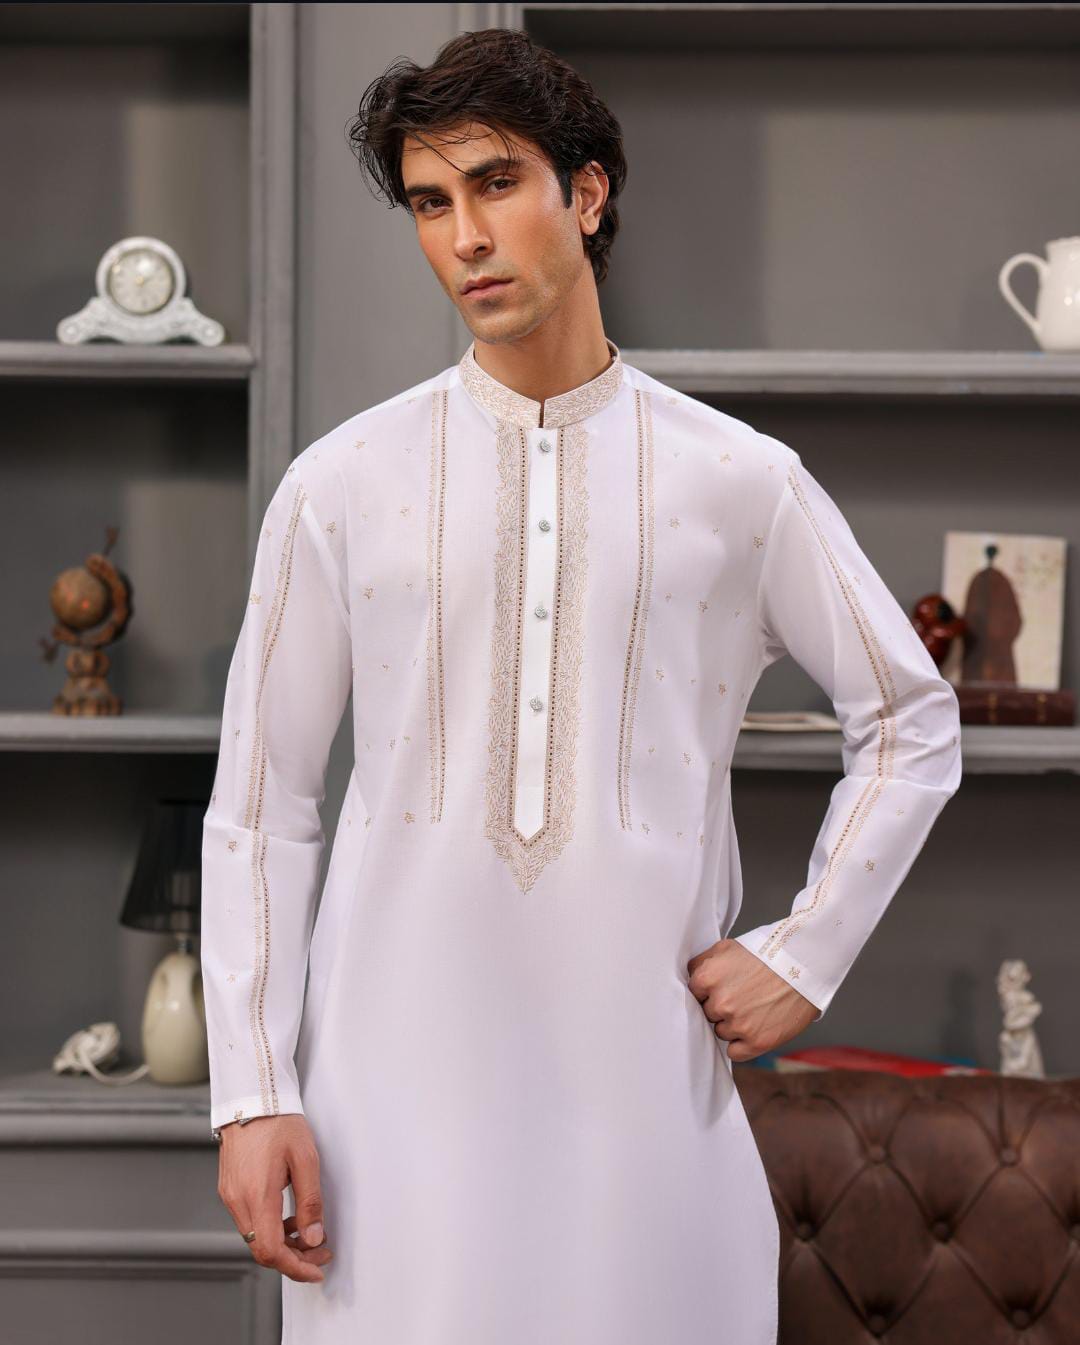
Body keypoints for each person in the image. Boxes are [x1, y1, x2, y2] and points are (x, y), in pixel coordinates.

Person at [200, 26, 962, 1345]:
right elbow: (261, 803)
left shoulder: (739, 481)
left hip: (645, 1112)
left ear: (588, 192)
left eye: (497, 184)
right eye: (430, 204)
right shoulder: (341, 485)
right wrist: (255, 1088)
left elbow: (910, 719)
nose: (465, 237)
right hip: (388, 1114)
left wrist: (806, 949)